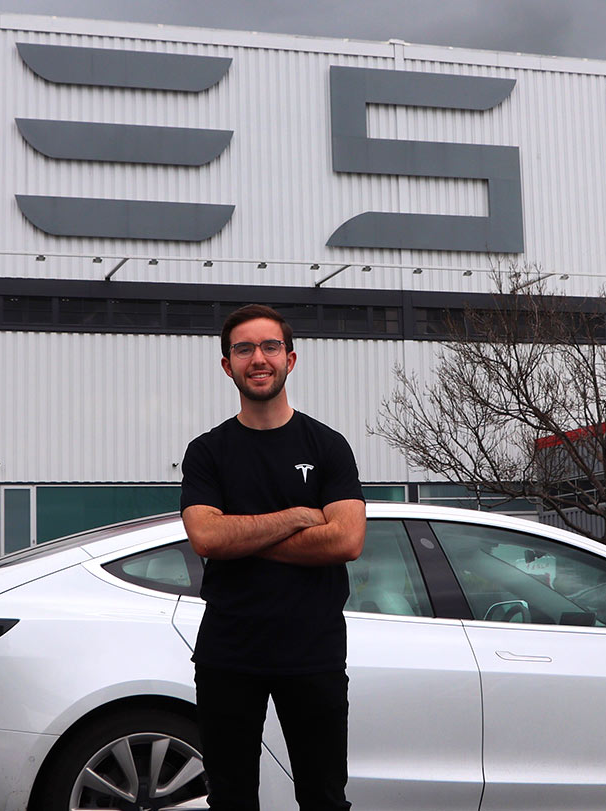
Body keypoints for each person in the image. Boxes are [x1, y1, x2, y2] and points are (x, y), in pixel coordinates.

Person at [180, 303, 366, 811]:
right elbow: (207, 539)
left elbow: (347, 541)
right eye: (243, 349)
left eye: (269, 347)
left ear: (291, 359)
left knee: (324, 797)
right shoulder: (207, 452)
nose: (257, 358)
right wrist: (298, 516)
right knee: (232, 799)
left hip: (314, 651)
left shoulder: (328, 446)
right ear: (227, 365)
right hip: (229, 652)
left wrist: (244, 533)